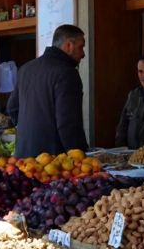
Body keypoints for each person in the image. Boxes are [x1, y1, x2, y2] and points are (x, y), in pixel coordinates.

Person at [7, 24, 89, 158]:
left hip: (23, 157)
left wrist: (29, 131)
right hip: (53, 160)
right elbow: (68, 123)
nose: (83, 54)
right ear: (69, 46)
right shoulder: (67, 74)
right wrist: (79, 156)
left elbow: (12, 108)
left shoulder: (26, 69)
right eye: (81, 47)